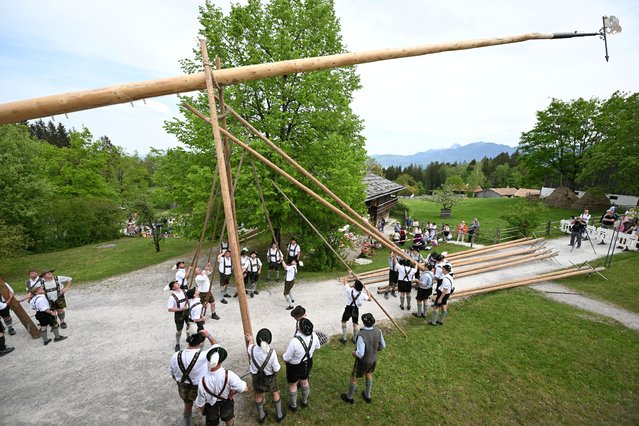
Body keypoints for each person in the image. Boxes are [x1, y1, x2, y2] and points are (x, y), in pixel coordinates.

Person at [170, 329, 218, 426]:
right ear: (200, 343)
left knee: (187, 405)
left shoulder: (176, 355)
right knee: (205, 406)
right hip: (198, 386)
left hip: (182, 385)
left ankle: (188, 424)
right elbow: (217, 347)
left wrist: (179, 382)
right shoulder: (203, 355)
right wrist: (208, 335)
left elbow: (172, 373)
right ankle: (211, 421)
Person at [196, 345, 248, 426]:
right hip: (226, 402)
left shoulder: (202, 381)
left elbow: (200, 403)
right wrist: (234, 391)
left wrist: (203, 412)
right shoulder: (229, 375)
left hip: (211, 407)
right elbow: (244, 389)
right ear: (221, 360)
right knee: (229, 422)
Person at [340, 313, 386, 404]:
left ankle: (349, 398)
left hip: (363, 362)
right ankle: (367, 395)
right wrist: (374, 350)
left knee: (354, 378)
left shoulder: (362, 335)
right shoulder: (378, 330)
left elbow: (360, 354)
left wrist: (354, 353)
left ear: (363, 322)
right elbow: (383, 346)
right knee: (369, 374)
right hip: (373, 359)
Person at [246, 329, 286, 424]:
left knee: (258, 394)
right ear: (269, 340)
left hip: (256, 378)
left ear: (257, 340)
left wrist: (251, 340)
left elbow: (250, 345)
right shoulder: (272, 353)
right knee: (275, 393)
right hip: (269, 378)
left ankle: (261, 416)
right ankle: (279, 415)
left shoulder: (251, 349)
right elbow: (276, 368)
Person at [283, 318, 320, 412]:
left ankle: (293, 406)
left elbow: (286, 358)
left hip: (294, 366)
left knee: (293, 385)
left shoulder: (295, 341)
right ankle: (304, 402)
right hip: (308, 363)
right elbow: (317, 347)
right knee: (304, 381)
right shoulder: (314, 336)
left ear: (299, 329)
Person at [339, 280, 371, 344]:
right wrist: (367, 290)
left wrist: (349, 274)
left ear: (354, 286)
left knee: (343, 321)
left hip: (348, 308)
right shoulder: (362, 294)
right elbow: (370, 299)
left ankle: (344, 338)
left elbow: (345, 281)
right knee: (355, 323)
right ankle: (355, 339)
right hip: (356, 309)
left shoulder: (350, 290)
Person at [167, 280, 189, 351]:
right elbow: (170, 309)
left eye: (177, 282)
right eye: (175, 284)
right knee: (179, 330)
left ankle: (189, 340)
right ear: (173, 288)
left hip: (188, 312)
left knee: (190, 327)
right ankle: (177, 343)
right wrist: (180, 309)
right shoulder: (172, 297)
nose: (177, 283)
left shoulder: (185, 290)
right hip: (179, 314)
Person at [0, 287, 15, 355]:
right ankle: (2, 349)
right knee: (0, 333)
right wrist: (11, 297)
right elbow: (4, 305)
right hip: (2, 304)